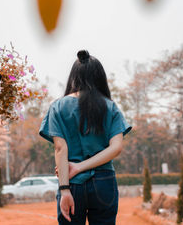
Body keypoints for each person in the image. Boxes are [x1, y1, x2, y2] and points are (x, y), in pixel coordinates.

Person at [39, 50, 132, 225]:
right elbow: (116, 148)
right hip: (104, 182)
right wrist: (81, 167)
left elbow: (60, 149)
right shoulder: (109, 106)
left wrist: (65, 188)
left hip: (71, 183)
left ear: (74, 77)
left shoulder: (58, 107)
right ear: (99, 77)